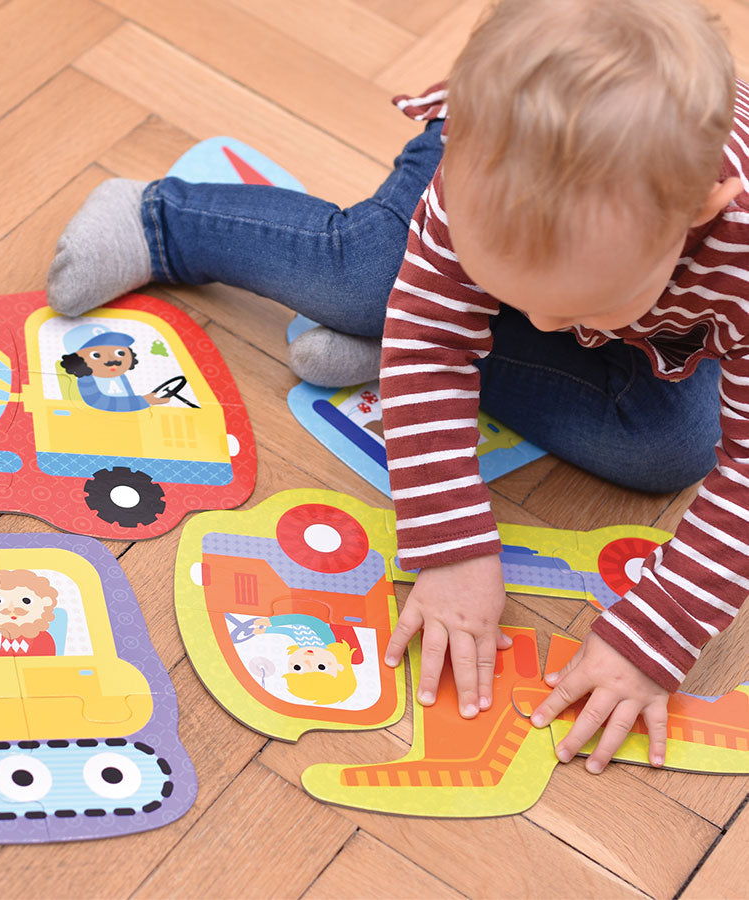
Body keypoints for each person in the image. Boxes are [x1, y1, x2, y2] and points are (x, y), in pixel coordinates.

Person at [45, 0, 748, 773]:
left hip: (666, 328)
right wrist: (451, 547)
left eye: (583, 305)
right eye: (511, 293)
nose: (543, 324)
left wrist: (655, 635)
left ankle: (403, 334)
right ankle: (165, 222)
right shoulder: (475, 171)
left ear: (699, 216)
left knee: (670, 449)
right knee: (364, 276)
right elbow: (442, 327)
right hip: (472, 214)